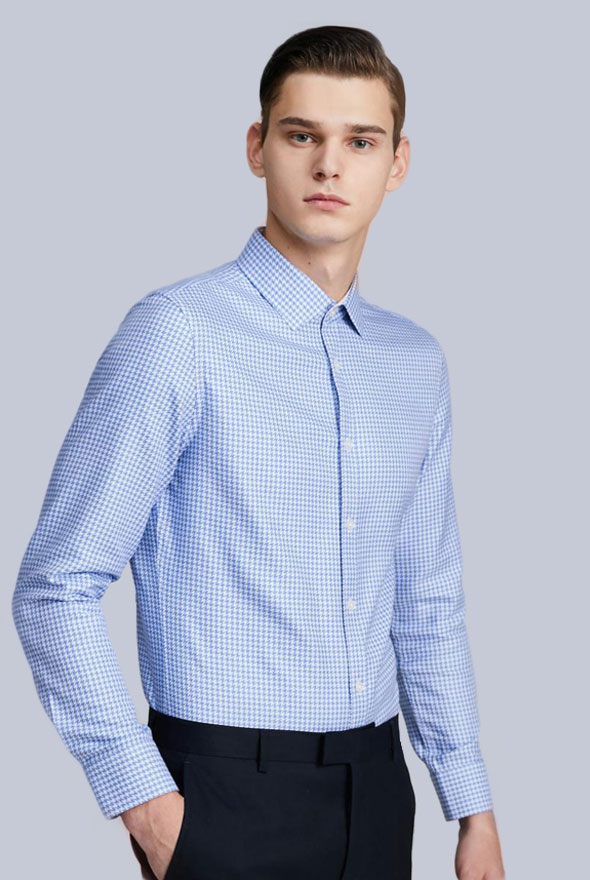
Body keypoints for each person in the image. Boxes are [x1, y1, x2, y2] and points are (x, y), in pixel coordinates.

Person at [12, 23, 505, 880]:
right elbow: (55, 584)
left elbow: (426, 601)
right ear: (257, 147)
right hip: (221, 793)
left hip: (377, 789)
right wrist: (151, 809)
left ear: (397, 163)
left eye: (361, 141)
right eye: (301, 135)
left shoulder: (414, 362)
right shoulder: (178, 334)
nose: (329, 166)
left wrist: (472, 805)